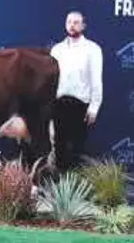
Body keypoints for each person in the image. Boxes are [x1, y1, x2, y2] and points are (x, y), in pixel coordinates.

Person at [49, 11, 103, 172]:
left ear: (83, 25)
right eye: (69, 22)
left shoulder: (92, 49)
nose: (72, 25)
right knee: (58, 146)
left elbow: (96, 80)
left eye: (76, 22)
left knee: (76, 148)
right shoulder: (57, 50)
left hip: (80, 105)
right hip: (58, 104)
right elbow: (51, 81)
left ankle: (74, 187)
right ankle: (60, 187)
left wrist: (94, 107)